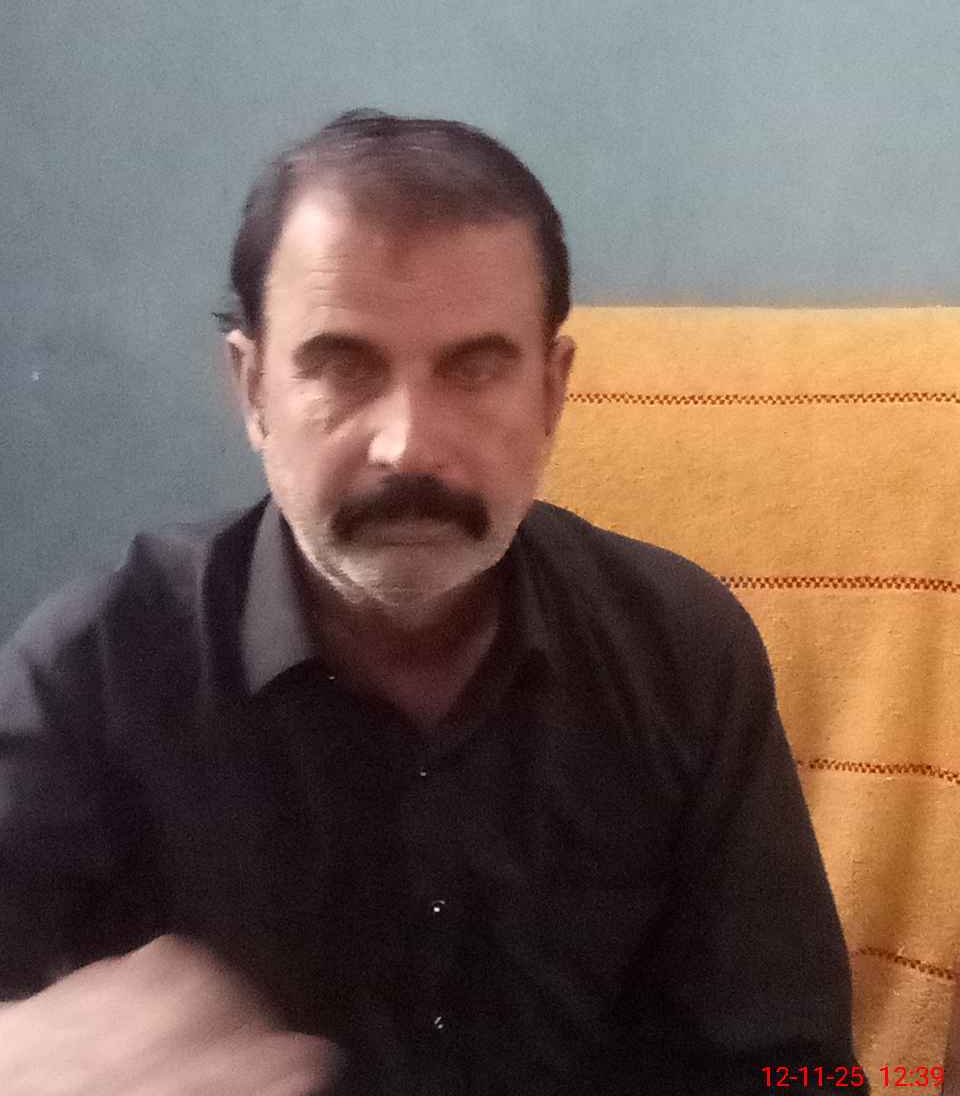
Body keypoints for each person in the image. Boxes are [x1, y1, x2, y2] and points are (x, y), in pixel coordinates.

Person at [0, 110, 862, 1095]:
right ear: (252, 388)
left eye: (476, 369)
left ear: (552, 390)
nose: (408, 445)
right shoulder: (90, 674)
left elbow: (794, 1073)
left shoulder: (685, 655)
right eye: (342, 366)